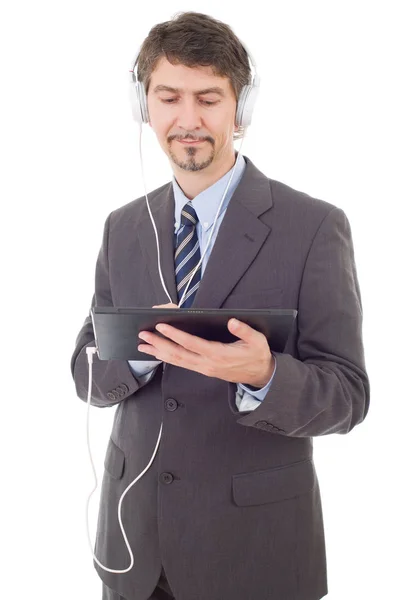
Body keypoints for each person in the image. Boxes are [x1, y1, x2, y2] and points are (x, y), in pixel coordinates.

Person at [70, 11, 370, 600]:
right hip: (136, 551)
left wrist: (264, 375)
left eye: (208, 98)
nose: (188, 121)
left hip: (254, 555)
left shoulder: (313, 226)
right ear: (144, 106)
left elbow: (349, 396)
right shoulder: (123, 227)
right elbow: (84, 370)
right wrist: (135, 357)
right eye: (168, 97)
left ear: (241, 108)